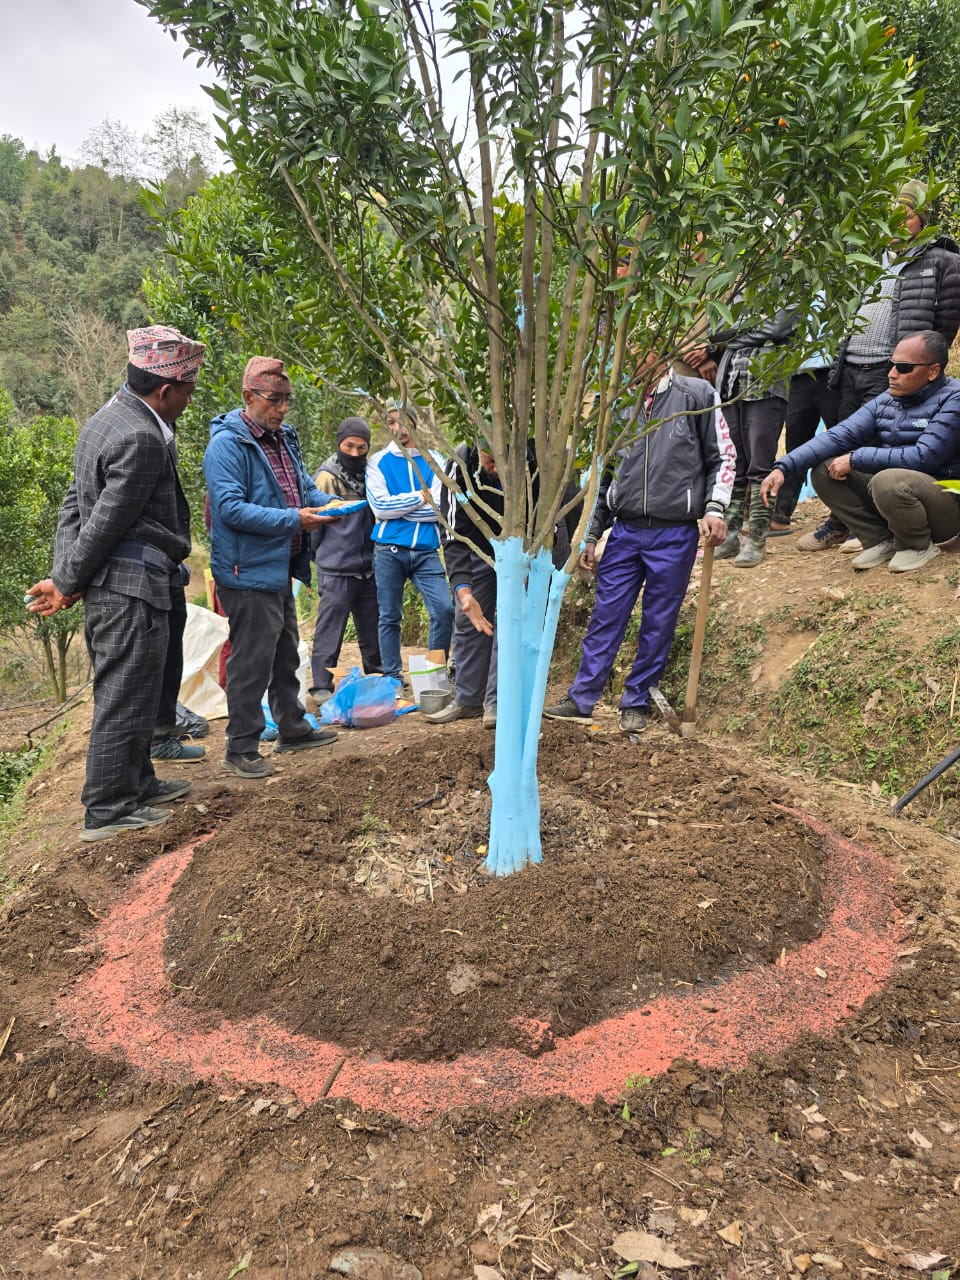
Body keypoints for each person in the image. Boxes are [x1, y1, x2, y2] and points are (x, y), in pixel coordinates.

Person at [26, 325, 205, 841]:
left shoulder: (105, 420)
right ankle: (107, 808)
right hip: (130, 587)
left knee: (139, 692)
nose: (188, 402)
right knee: (124, 697)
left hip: (120, 582)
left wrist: (68, 575)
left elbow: (74, 505)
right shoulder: (142, 437)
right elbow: (104, 520)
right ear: (166, 390)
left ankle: (138, 784)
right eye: (188, 392)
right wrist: (65, 581)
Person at [543, 366, 734, 733]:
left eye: (642, 348)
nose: (634, 356)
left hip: (674, 532)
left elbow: (722, 458)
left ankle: (636, 702)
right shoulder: (616, 406)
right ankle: (582, 698)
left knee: (658, 622)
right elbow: (604, 473)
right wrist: (593, 533)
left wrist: (714, 507)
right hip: (625, 532)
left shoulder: (696, 395)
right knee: (605, 615)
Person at [800, 179, 960, 551]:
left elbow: (944, 327)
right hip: (851, 365)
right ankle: (843, 522)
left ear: (922, 218)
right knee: (839, 443)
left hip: (894, 369)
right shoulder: (868, 258)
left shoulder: (943, 262)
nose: (894, 221)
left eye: (904, 214)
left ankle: (874, 528)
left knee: (878, 446)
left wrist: (915, 370)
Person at [204, 357, 339, 779]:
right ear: (248, 397)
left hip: (280, 563)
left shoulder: (284, 438)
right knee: (252, 660)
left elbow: (300, 488)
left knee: (284, 651)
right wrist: (295, 520)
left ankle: (293, 728)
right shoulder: (228, 445)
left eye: (286, 401)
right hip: (246, 571)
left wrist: (326, 504)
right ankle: (241, 747)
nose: (281, 409)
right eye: (273, 400)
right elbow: (230, 509)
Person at [759, 330, 960, 573]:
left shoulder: (954, 399)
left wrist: (857, 458)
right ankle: (879, 540)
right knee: (824, 470)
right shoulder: (888, 399)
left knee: (888, 479)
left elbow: (923, 457)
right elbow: (838, 435)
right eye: (891, 365)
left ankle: (917, 545)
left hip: (947, 501)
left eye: (904, 367)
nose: (892, 374)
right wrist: (785, 467)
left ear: (933, 371)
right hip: (904, 492)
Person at [365, 403, 454, 684]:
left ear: (414, 423)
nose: (397, 428)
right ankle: (392, 676)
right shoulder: (377, 462)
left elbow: (440, 510)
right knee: (389, 615)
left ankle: (433, 676)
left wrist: (402, 506)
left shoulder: (436, 461)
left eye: (402, 421)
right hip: (388, 549)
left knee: (444, 609)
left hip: (426, 551)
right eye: (391, 422)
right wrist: (420, 496)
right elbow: (379, 508)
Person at [711, 306, 796, 567]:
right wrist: (754, 324)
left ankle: (757, 540)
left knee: (760, 467)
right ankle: (730, 536)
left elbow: (778, 327)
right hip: (730, 385)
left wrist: (734, 332)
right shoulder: (740, 285)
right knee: (733, 464)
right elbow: (715, 333)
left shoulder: (790, 286)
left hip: (765, 384)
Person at [308, 416, 381, 703]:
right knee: (330, 629)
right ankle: (321, 686)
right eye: (349, 446)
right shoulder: (325, 476)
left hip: (370, 567)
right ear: (339, 443)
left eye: (361, 448)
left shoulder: (373, 475)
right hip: (336, 569)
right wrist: (321, 559)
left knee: (372, 627)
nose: (354, 453)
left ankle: (378, 677)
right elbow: (315, 523)